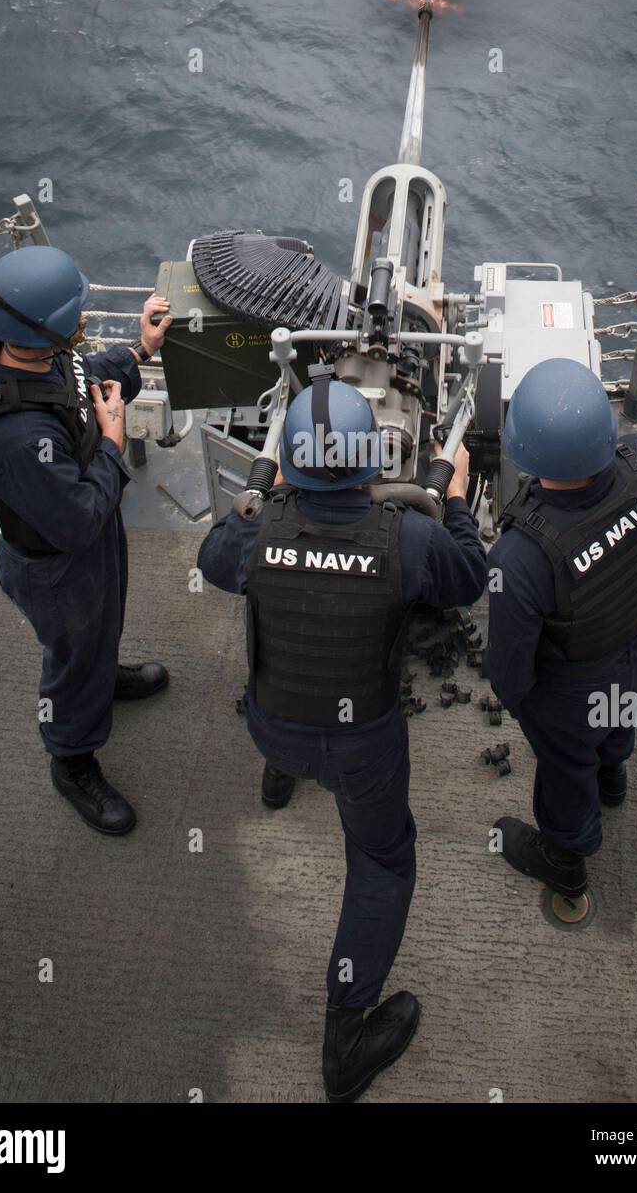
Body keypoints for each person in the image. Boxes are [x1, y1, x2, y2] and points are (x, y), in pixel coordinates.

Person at [198, 371, 487, 1101]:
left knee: (291, 714)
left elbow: (214, 556)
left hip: (273, 728)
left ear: (293, 462)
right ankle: (348, 1033)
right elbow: (469, 578)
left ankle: (280, 781)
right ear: (370, 458)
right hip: (362, 752)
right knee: (384, 862)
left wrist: (257, 488)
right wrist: (449, 498)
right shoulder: (410, 538)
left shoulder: (256, 531)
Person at [484, 357, 637, 897]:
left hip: (573, 690)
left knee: (566, 762)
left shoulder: (518, 558)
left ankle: (566, 856)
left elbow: (510, 677)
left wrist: (538, 714)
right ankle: (612, 776)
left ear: (523, 450)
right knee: (618, 706)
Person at [0, 244, 173, 835]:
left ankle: (100, 678)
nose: (82, 318)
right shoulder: (18, 436)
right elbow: (78, 519)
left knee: (99, 632)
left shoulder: (23, 352)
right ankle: (71, 757)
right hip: (58, 565)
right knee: (73, 651)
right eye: (74, 310)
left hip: (82, 545)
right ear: (49, 327)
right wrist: (110, 440)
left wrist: (139, 351)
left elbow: (82, 378)